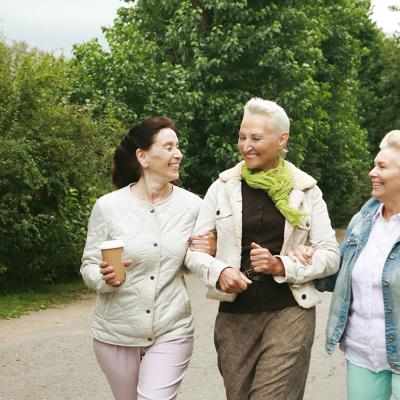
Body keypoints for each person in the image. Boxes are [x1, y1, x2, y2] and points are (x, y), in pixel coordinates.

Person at [185, 97, 340, 400]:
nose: (246, 146)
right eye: (242, 137)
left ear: (282, 139)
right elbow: (194, 251)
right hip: (234, 317)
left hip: (289, 311)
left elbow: (329, 253)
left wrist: (281, 265)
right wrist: (220, 271)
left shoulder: (306, 189)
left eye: (256, 138)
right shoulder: (222, 187)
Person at [80, 116, 217, 400]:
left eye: (177, 147)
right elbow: (89, 266)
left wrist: (211, 247)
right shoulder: (108, 207)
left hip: (172, 329)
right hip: (115, 334)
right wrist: (103, 278)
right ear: (143, 156)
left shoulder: (194, 206)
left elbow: (200, 255)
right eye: (168, 147)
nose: (177, 154)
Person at [296, 129, 400, 400]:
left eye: (381, 166)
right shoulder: (363, 220)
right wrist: (311, 259)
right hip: (363, 351)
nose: (371, 172)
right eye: (373, 165)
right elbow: (337, 275)